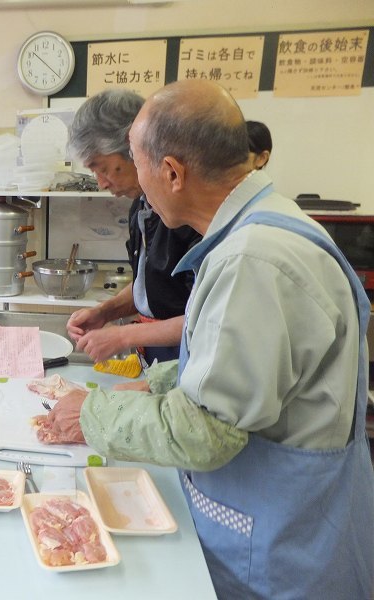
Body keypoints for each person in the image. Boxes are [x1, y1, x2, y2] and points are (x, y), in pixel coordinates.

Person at [46, 80, 373, 599]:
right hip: (277, 525)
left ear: (172, 172)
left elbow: (204, 432)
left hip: (276, 548)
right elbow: (244, 363)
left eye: (134, 162)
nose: (131, 184)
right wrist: (156, 382)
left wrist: (92, 413)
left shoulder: (253, 260)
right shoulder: (261, 228)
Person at [65, 89, 201, 363]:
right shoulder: (141, 206)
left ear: (134, 148)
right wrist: (105, 312)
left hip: (189, 356)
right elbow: (151, 285)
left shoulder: (187, 212)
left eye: (101, 168)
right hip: (155, 352)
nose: (101, 183)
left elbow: (205, 319)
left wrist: (123, 336)